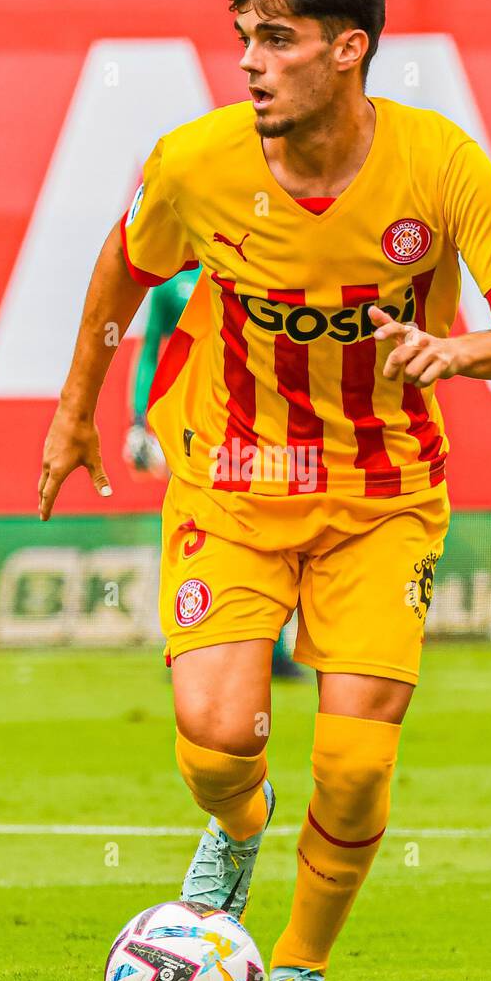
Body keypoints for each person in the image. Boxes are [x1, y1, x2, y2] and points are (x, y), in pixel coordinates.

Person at [39, 0, 491, 981]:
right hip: (231, 479)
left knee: (352, 756)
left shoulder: (437, 165)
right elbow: (121, 264)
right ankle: (238, 829)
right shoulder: (195, 163)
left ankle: (294, 966)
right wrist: (71, 410)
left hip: (383, 497)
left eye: (275, 40)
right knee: (214, 735)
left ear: (348, 49)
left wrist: (458, 352)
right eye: (242, 37)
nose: (248, 61)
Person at [124, 267, 302, 677]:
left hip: (261, 430)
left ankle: (271, 648)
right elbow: (151, 349)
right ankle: (189, 644)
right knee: (192, 531)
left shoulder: (257, 264)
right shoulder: (174, 284)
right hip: (196, 432)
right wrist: (139, 420)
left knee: (274, 530)